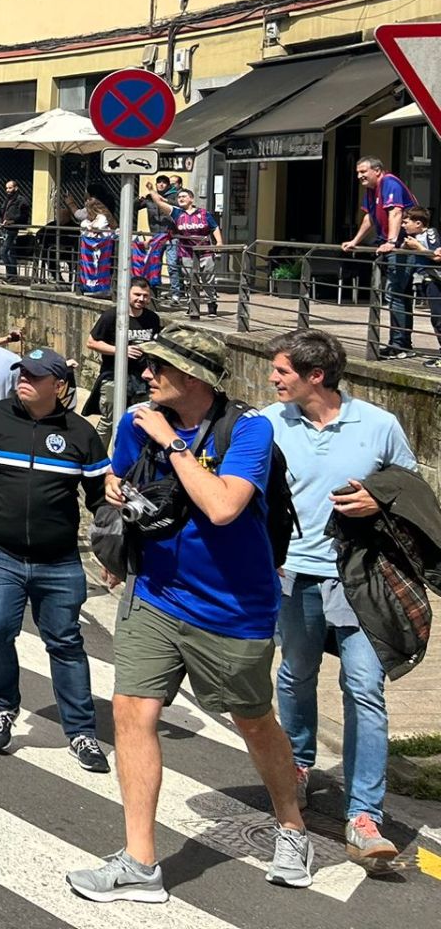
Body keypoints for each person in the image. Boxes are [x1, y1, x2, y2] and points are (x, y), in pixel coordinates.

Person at [67, 325, 312, 903]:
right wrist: (118, 501)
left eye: (157, 366)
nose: (147, 374)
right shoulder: (137, 421)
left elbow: (225, 506)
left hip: (234, 608)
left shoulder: (248, 429)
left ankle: (291, 825)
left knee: (253, 720)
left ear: (194, 376)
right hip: (154, 594)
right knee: (132, 712)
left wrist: (174, 447)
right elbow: (113, 479)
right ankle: (140, 863)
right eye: (146, 365)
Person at [261, 329, 415, 866]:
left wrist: (379, 498)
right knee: (296, 675)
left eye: (281, 372)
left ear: (315, 376)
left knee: (365, 688)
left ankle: (364, 813)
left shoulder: (379, 425)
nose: (272, 379)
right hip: (294, 575)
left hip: (362, 578)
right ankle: (299, 765)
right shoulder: (267, 424)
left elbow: (410, 488)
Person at [0, 348, 111, 773]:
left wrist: (112, 551)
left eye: (36, 376)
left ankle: (81, 733)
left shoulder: (80, 434)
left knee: (66, 643)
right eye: (23, 373)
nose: (25, 380)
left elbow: (98, 498)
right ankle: (5, 705)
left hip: (58, 560)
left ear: (58, 386)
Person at [341, 156, 417, 356]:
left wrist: (391, 242)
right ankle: (398, 344)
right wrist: (355, 241)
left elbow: (396, 212)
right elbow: (369, 217)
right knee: (395, 294)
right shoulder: (371, 189)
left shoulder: (389, 182)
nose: (359, 176)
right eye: (358, 172)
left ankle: (400, 345)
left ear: (377, 170)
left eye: (363, 172)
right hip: (390, 245)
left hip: (403, 246)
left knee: (396, 294)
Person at [84, 277, 160, 427]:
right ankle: (99, 451)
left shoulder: (152, 319)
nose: (141, 299)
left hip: (141, 379)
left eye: (145, 296)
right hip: (114, 375)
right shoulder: (112, 316)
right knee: (110, 420)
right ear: (127, 294)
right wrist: (120, 351)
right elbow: (91, 342)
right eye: (137, 294)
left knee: (139, 419)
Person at [168, 186, 222, 320]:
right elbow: (161, 205)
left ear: (191, 199)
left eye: (183, 196)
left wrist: (219, 242)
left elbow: (214, 227)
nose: (180, 199)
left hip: (206, 251)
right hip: (186, 252)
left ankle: (212, 304)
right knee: (189, 280)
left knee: (208, 279)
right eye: (179, 197)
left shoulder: (204, 213)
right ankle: (192, 305)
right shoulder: (177, 214)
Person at [405, 205, 441, 359]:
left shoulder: (431, 233)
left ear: (418, 223)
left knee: (439, 317)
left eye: (406, 222)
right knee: (436, 318)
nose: (403, 225)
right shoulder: (411, 237)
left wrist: (417, 247)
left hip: (435, 280)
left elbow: (437, 256)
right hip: (426, 281)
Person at [74, 195, 117, 297]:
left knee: (101, 266)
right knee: (88, 267)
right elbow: (85, 226)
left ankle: (103, 287)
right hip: (89, 249)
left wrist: (92, 228)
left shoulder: (102, 217)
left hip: (103, 248)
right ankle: (88, 286)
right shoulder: (85, 221)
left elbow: (98, 227)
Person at [0, 179, 30, 282]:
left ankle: (11, 275)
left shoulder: (21, 200)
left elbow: (24, 216)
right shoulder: (7, 200)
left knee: (3, 252)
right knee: (10, 253)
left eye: (10, 188)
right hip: (5, 229)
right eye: (7, 188)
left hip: (12, 230)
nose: (7, 190)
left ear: (16, 188)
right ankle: (12, 277)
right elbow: (0, 214)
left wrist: (12, 221)